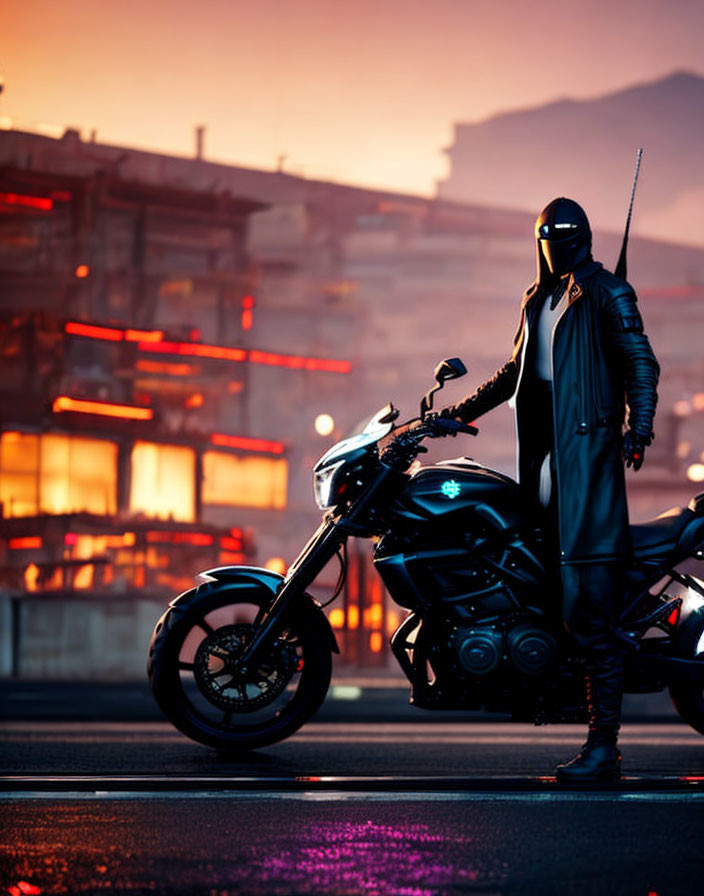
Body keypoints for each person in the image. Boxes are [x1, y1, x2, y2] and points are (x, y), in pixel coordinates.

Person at [437, 197, 660, 782]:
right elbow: (514, 372)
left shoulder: (608, 293)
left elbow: (642, 361)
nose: (557, 245)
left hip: (586, 461)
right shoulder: (538, 299)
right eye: (548, 236)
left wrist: (640, 426)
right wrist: (458, 412)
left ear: (584, 237)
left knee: (588, 610)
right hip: (540, 460)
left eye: (565, 235)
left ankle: (603, 747)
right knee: (541, 587)